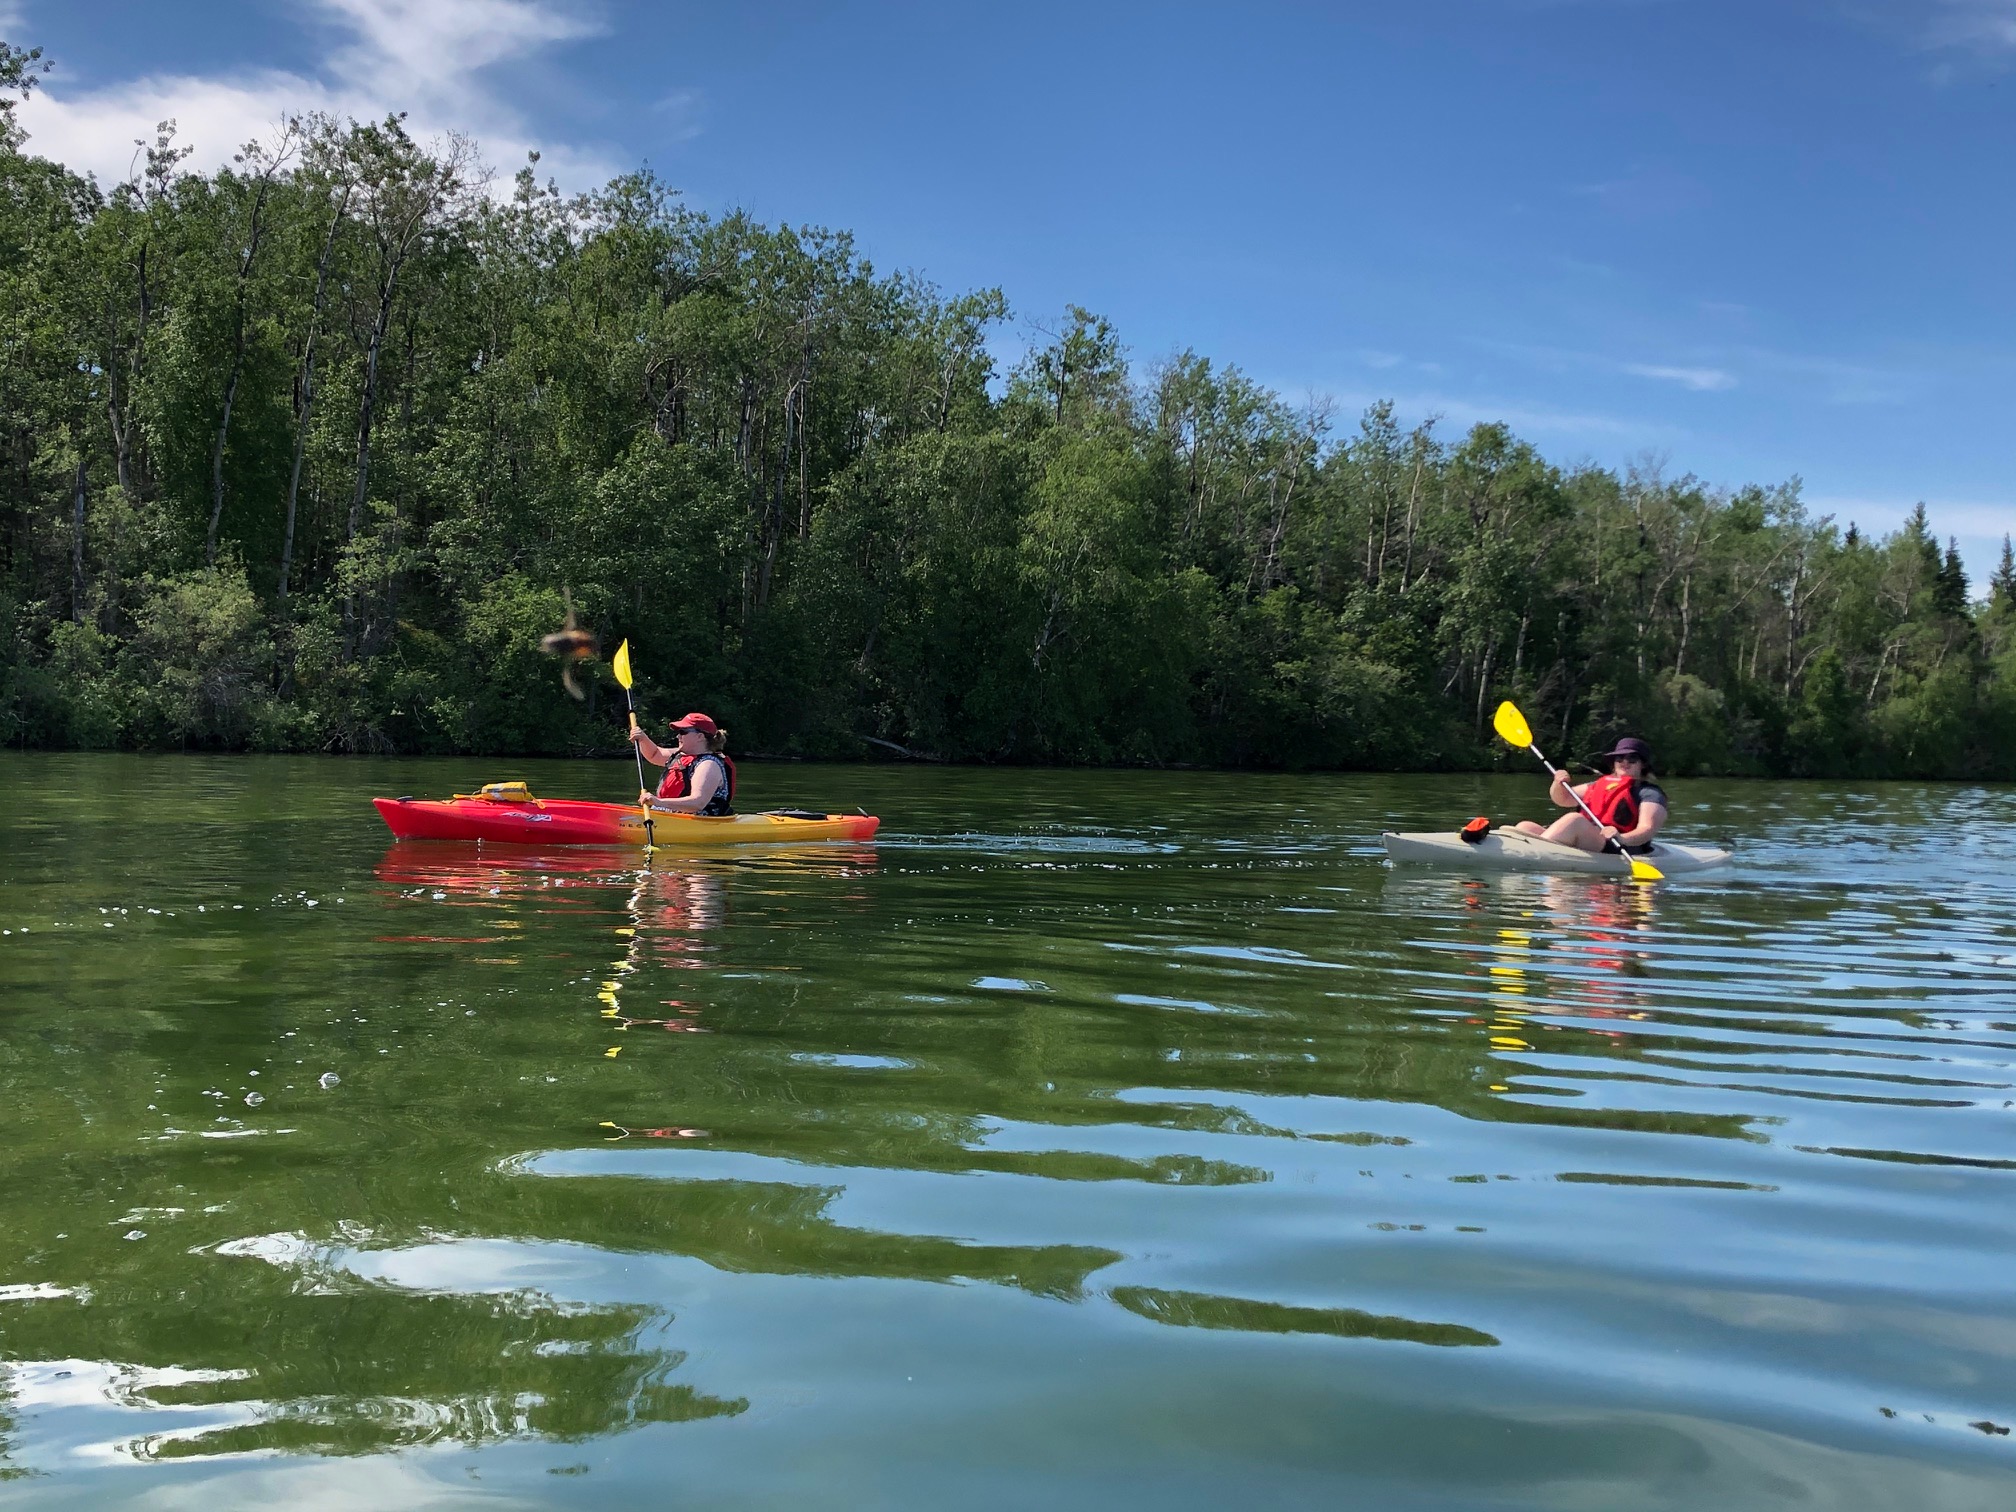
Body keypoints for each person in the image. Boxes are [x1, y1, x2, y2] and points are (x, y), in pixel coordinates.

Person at [1513, 736, 1667, 854]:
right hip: (1590, 839)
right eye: (1620, 758)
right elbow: (1563, 799)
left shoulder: (1650, 793)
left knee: (1574, 820)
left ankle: (1533, 852)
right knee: (1525, 826)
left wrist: (1621, 837)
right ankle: (1529, 851)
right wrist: (1558, 783)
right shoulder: (1597, 786)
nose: (1624, 762)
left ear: (1643, 764)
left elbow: (1647, 829)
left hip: (1619, 846)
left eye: (1632, 759)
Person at [628, 712, 736, 816]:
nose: (678, 736)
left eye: (683, 732)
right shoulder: (681, 756)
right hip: (669, 816)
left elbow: (697, 803)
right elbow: (654, 754)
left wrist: (658, 801)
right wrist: (642, 738)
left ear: (700, 737)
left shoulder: (708, 765)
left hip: (698, 822)